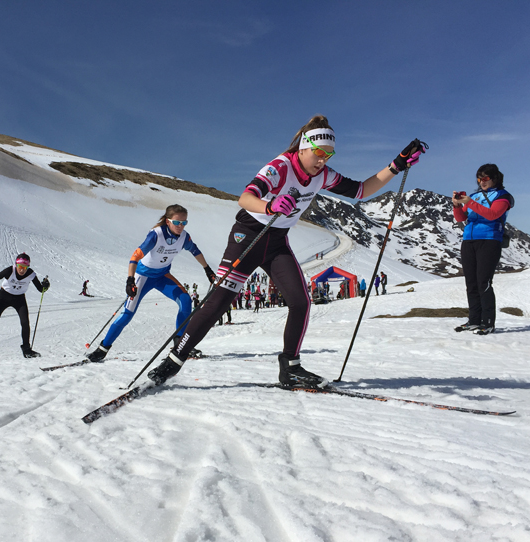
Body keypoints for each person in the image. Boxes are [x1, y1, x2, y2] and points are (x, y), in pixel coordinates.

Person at [147, 115, 426, 388]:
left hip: (277, 242)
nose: (322, 161)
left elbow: (362, 190)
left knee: (300, 301)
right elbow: (245, 198)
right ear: (303, 147)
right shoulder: (280, 167)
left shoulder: (323, 174)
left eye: (329, 155)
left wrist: (397, 165)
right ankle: (175, 359)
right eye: (318, 153)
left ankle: (290, 367)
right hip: (249, 236)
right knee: (219, 302)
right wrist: (269, 206)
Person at [87, 205, 215, 361]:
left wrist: (207, 269)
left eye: (184, 223)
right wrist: (130, 280)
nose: (180, 226)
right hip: (143, 277)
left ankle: (179, 344)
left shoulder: (184, 237)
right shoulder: (156, 235)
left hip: (163, 276)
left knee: (186, 300)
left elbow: (195, 251)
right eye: (177, 223)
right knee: (128, 313)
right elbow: (135, 256)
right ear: (168, 221)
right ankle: (103, 349)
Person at [452, 164, 514, 335]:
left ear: (495, 178)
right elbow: (461, 218)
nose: (482, 181)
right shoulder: (475, 196)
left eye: (485, 178)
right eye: (479, 178)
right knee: (471, 283)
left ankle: (487, 322)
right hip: (469, 241)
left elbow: (493, 214)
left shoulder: (503, 196)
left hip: (489, 240)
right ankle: (474, 320)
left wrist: (469, 202)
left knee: (483, 282)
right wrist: (457, 205)